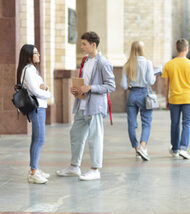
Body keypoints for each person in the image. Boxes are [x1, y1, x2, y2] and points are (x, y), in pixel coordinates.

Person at [56, 31, 116, 181]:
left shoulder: (103, 62)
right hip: (82, 105)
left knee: (94, 138)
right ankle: (74, 167)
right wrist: (77, 89)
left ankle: (95, 169)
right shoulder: (85, 61)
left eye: (84, 44)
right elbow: (85, 82)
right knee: (75, 134)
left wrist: (91, 88)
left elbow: (110, 86)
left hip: (95, 107)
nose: (81, 46)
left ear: (93, 45)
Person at [16, 44, 52, 184]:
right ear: (29, 55)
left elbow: (42, 86)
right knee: (40, 139)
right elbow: (36, 91)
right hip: (36, 107)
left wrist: (45, 88)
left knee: (36, 139)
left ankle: (34, 169)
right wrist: (47, 93)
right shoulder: (28, 70)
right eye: (36, 53)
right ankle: (33, 172)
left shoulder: (33, 70)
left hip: (39, 107)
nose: (39, 55)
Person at [161, 38, 190, 160]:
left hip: (174, 98)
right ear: (186, 49)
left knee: (175, 124)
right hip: (188, 98)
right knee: (187, 124)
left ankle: (175, 149)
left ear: (176, 49)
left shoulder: (169, 65)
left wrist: (166, 99)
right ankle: (184, 148)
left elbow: (166, 85)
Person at [120, 41, 155, 161]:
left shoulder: (127, 65)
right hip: (144, 94)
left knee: (131, 124)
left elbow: (124, 85)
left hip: (132, 94)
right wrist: (155, 74)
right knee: (146, 122)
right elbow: (150, 81)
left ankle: (136, 148)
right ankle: (142, 147)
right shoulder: (148, 63)